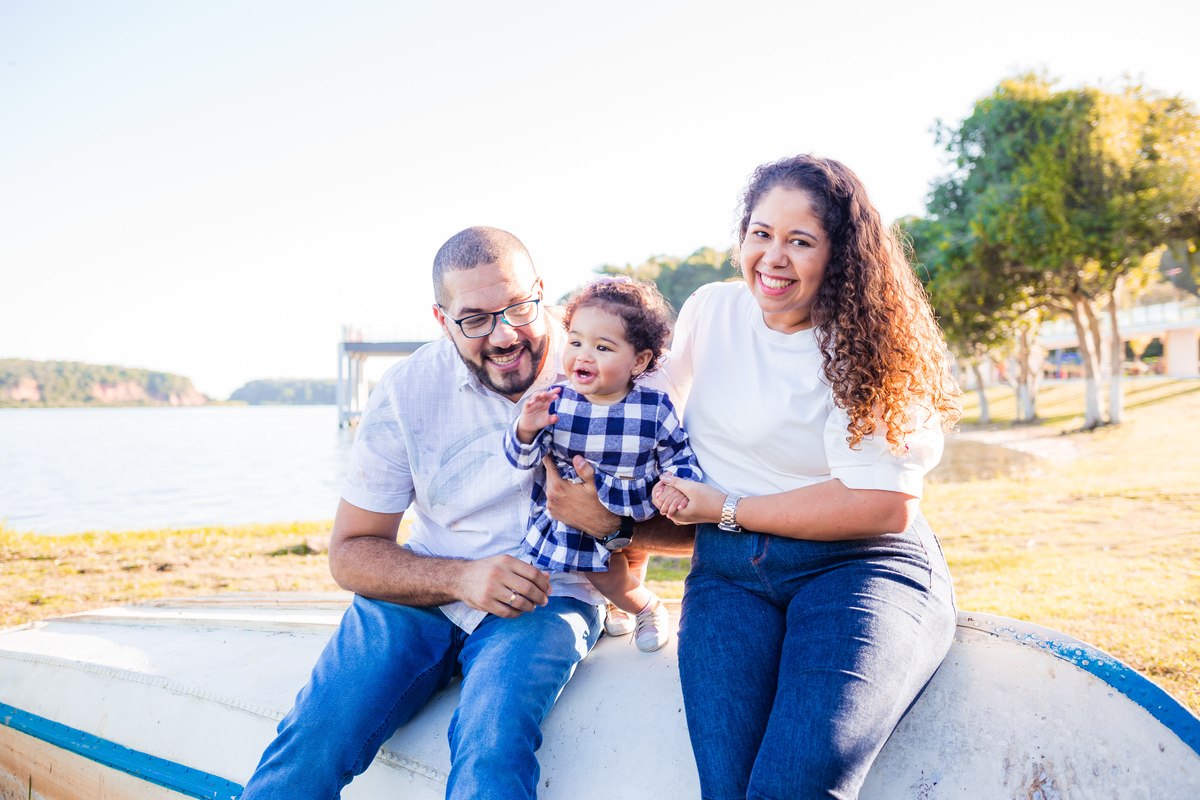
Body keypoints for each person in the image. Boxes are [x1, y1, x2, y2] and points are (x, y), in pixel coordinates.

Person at [239, 226, 692, 800]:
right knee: (314, 739)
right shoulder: (407, 389)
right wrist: (461, 577)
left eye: (518, 309)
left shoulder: (619, 359)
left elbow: (700, 525)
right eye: (475, 318)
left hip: (552, 595)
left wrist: (610, 523)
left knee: (490, 742)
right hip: (421, 595)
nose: (504, 336)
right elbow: (350, 553)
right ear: (441, 319)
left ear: (542, 294)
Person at [651, 155, 964, 799]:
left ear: (841, 255)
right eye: (761, 234)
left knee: (790, 789)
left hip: (860, 568)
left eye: (800, 241)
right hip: (730, 576)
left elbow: (882, 504)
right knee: (728, 789)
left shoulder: (873, 343)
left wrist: (726, 507)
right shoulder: (711, 312)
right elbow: (645, 407)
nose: (773, 257)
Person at [505, 278, 703, 653]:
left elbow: (678, 453)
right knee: (601, 571)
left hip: (636, 503)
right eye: (576, 342)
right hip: (577, 515)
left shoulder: (653, 407)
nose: (583, 355)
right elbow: (522, 461)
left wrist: (677, 484)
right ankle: (635, 604)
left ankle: (635, 605)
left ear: (639, 361)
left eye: (603, 347)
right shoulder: (556, 402)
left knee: (626, 562)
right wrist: (526, 429)